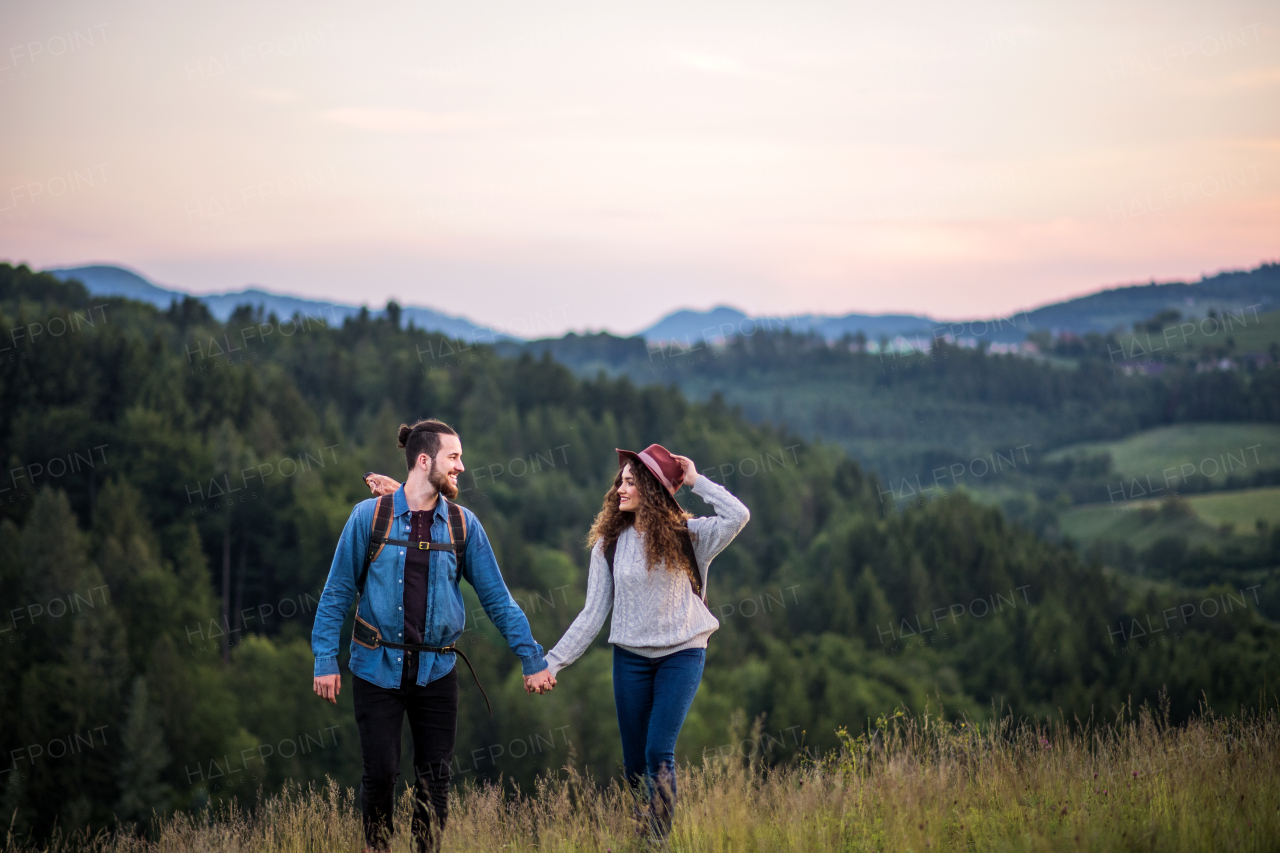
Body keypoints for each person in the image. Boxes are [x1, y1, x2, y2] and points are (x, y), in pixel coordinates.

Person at [311, 419, 555, 853]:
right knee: (381, 774)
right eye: (454, 457)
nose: (462, 466)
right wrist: (325, 658)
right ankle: (377, 847)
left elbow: (498, 600)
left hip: (437, 670)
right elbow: (336, 593)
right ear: (425, 461)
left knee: (435, 778)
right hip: (374, 664)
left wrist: (531, 657)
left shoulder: (463, 526)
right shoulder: (369, 517)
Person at [545, 444, 750, 841]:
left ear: (653, 490)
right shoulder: (608, 546)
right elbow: (592, 614)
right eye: (620, 481)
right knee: (634, 766)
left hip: (682, 654)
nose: (620, 488)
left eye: (631, 482)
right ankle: (641, 836)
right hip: (630, 659)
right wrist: (553, 663)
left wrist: (696, 481)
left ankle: (656, 843)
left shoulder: (691, 536)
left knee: (659, 752)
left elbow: (739, 515)